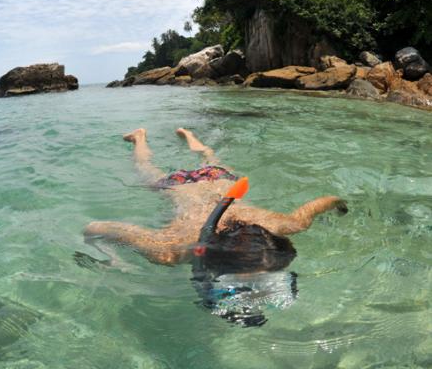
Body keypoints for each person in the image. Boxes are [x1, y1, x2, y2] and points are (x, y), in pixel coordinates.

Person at [83, 128, 347, 326]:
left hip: (222, 180)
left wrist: (341, 204)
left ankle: (187, 134)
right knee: (145, 167)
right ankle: (139, 137)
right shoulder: (170, 249)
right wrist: (114, 258)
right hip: (180, 184)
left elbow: (322, 202)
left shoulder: (281, 227)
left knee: (207, 156)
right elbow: (94, 227)